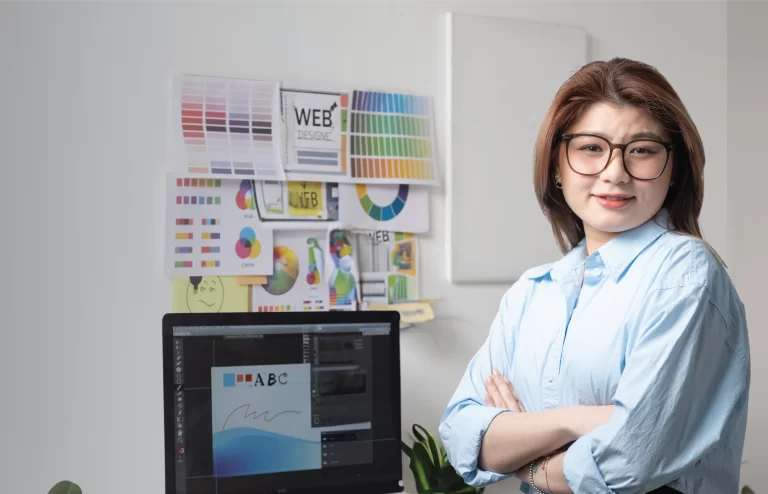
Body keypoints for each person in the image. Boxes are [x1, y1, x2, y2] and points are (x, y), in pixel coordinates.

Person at [438, 58, 751, 494]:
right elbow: (460, 434)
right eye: (590, 148)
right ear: (556, 167)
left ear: (673, 167)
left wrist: (523, 456)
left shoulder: (685, 274)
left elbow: (628, 460)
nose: (615, 172)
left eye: (641, 149)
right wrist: (578, 420)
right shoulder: (532, 293)